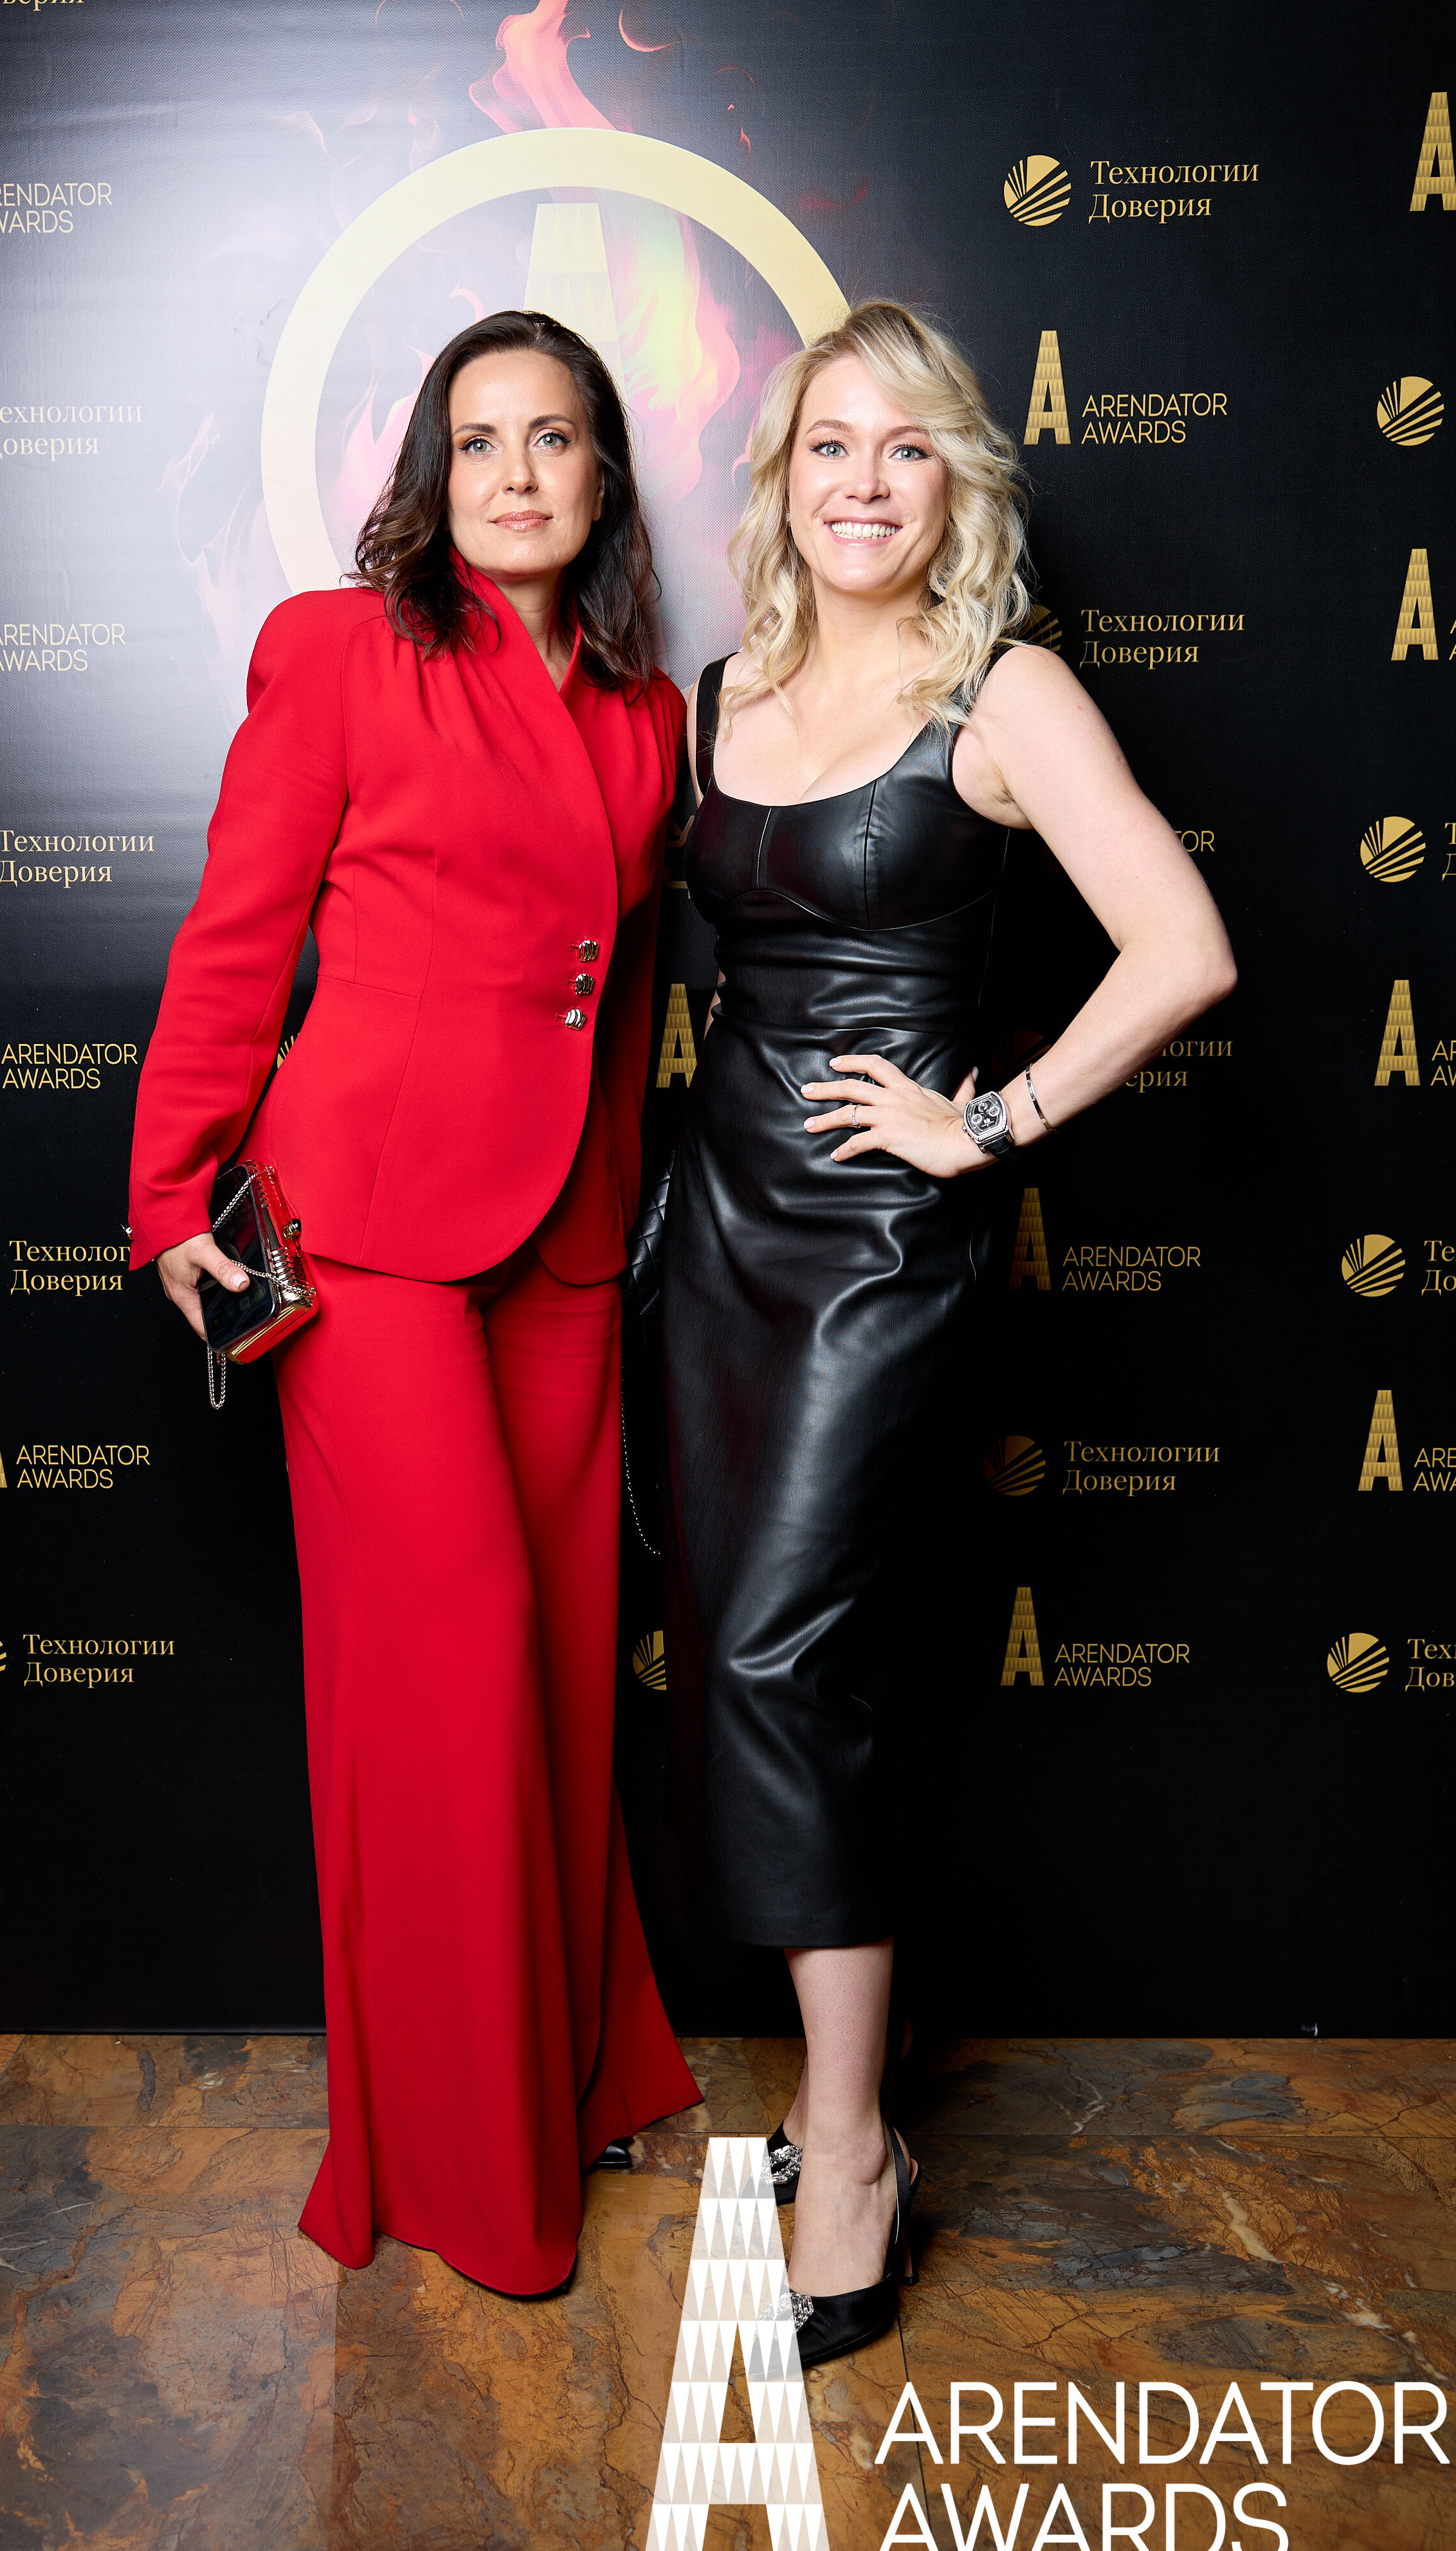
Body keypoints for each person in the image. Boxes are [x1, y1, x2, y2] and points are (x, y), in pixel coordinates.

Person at [663, 300, 1236, 2364]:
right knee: (760, 1654)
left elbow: (1183, 947)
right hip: (709, 1234)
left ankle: (847, 2143)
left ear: (954, 484)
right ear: (781, 478)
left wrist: (987, 1124)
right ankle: (849, 2103)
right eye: (829, 445)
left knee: (775, 1652)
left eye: (906, 448)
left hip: (882, 1250)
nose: (864, 484)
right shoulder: (722, 689)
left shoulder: (1004, 689)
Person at [127, 310, 700, 2298]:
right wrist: (168, 1188)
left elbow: (620, 995)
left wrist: (616, 1220)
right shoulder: (338, 650)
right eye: (478, 441)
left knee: (556, 1676)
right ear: (429, 477)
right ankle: (466, 2167)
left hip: (563, 1245)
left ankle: (575, 2073)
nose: (515, 475)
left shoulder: (645, 713)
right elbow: (238, 934)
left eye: (552, 439)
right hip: (365, 1229)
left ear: (604, 474)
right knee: (453, 1667)